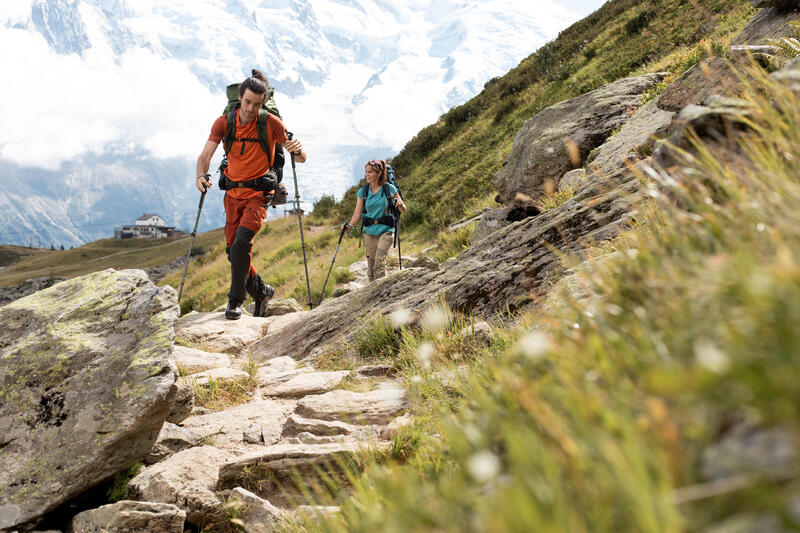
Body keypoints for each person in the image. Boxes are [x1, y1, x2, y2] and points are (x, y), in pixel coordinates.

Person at [195, 70, 307, 320]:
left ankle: (235, 301)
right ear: (239, 98)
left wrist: (298, 151)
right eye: (247, 103)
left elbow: (299, 157)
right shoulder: (225, 122)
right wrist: (200, 176)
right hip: (233, 195)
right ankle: (262, 291)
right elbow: (205, 156)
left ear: (263, 103)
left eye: (257, 104)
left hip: (259, 194)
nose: (251, 109)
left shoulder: (270, 123)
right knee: (233, 253)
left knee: (243, 243)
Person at [345, 159, 406, 281]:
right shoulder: (363, 192)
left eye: (370, 172)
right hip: (369, 232)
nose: (367, 175)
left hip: (386, 230)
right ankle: (374, 296)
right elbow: (357, 214)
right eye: (366, 172)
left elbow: (403, 209)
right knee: (371, 271)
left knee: (379, 265)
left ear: (378, 174)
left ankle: (383, 297)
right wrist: (349, 226)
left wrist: (399, 204)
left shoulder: (389, 188)